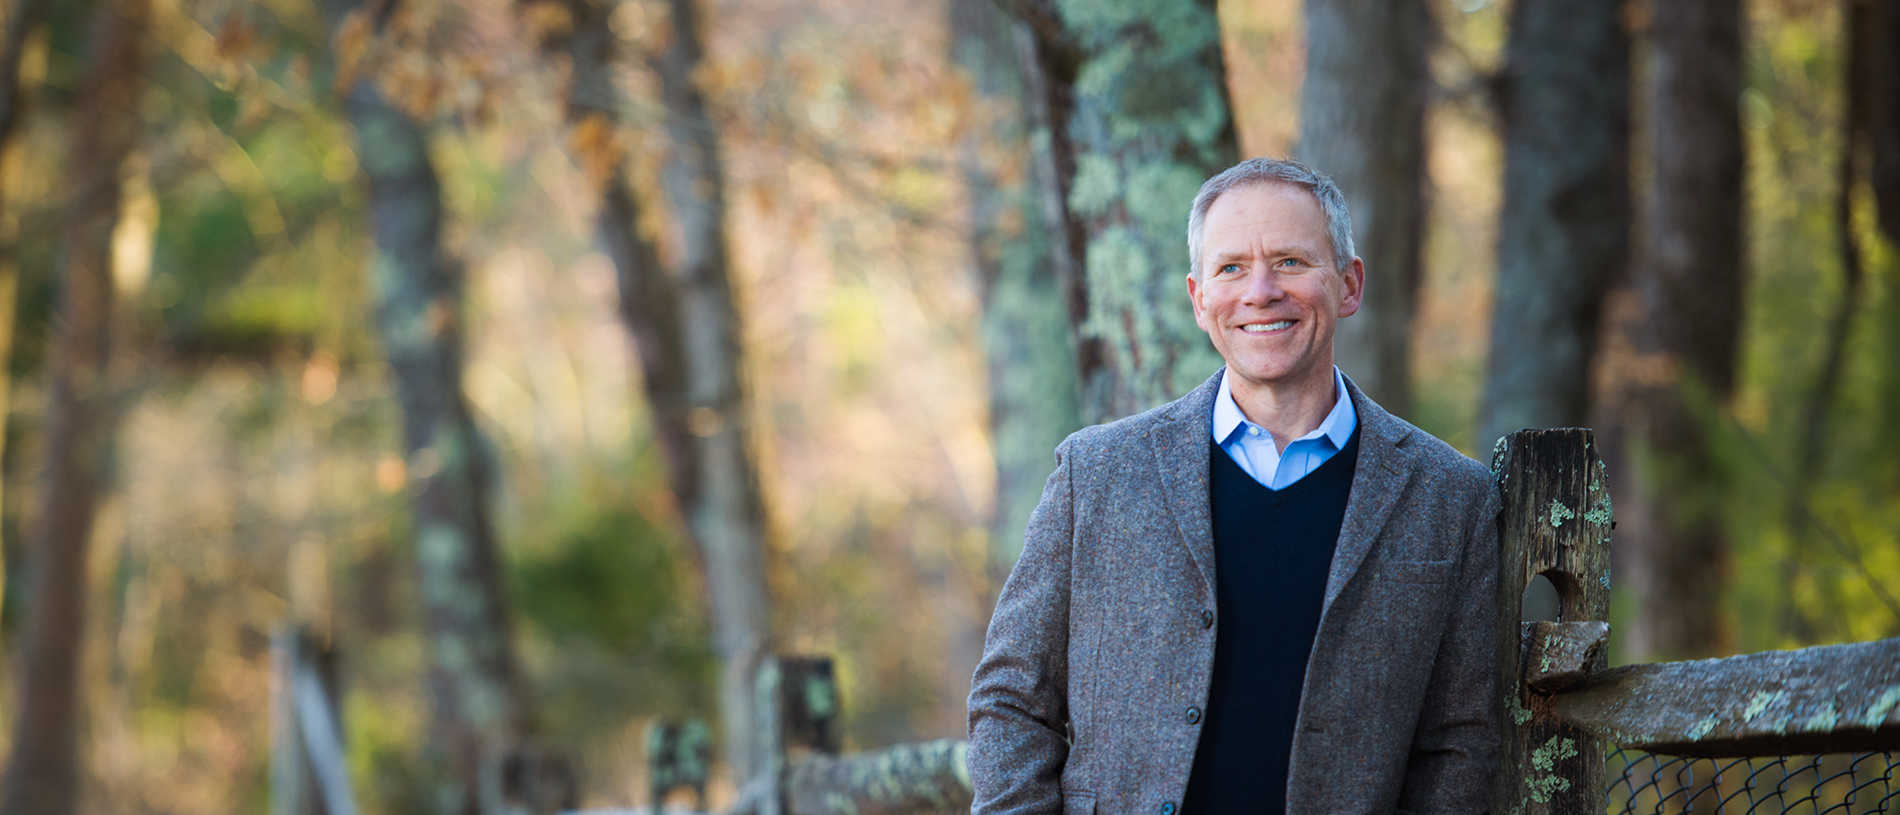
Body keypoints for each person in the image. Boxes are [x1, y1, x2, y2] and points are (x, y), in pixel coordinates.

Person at [967, 158, 1500, 815]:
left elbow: (1461, 743)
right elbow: (1013, 697)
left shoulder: (1451, 497)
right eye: (1231, 268)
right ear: (1198, 299)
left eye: (1290, 262)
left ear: (1349, 284)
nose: (1260, 290)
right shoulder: (1095, 474)